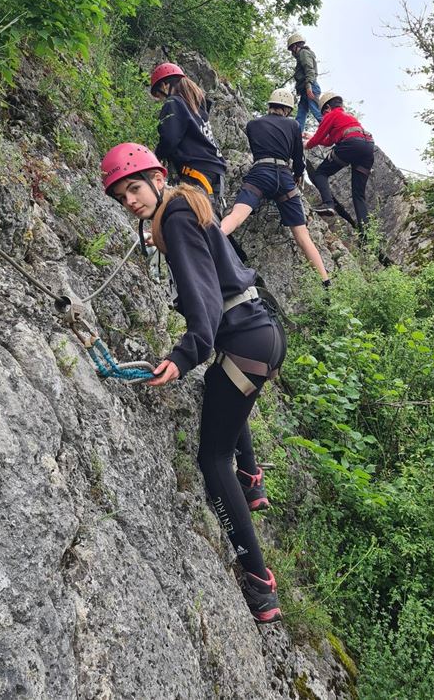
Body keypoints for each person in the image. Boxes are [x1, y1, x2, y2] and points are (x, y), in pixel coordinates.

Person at [101, 142, 286, 623]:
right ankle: (252, 480)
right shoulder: (187, 204)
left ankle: (259, 584)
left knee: (210, 458)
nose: (130, 202)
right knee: (219, 392)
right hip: (259, 333)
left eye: (135, 189)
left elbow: (203, 303)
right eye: (122, 197)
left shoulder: (176, 219)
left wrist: (182, 356)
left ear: (157, 179)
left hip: (239, 339)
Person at [220, 89, 331, 288]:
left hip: (261, 174)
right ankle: (325, 281)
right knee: (302, 235)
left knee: (236, 216)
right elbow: (298, 158)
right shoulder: (293, 125)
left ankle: (213, 238)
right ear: (288, 109)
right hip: (285, 178)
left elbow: (256, 151)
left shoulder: (253, 125)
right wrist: (297, 175)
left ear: (270, 105)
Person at [150, 62, 227, 216]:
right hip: (214, 173)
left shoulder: (174, 102)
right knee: (206, 220)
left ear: (165, 85)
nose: (160, 100)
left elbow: (169, 139)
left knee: (189, 217)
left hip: (196, 173)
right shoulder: (196, 109)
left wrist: (154, 161)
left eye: (159, 95)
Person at [305, 91, 375, 228]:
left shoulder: (331, 114)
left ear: (327, 108)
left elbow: (318, 138)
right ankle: (366, 235)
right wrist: (310, 136)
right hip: (367, 147)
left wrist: (307, 144)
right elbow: (328, 141)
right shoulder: (348, 117)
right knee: (358, 196)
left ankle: (328, 204)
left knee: (320, 173)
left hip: (351, 145)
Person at [287, 32, 322, 132]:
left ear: (295, 46)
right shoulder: (301, 55)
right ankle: (296, 134)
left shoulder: (303, 53)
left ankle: (332, 130)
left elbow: (309, 69)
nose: (291, 52)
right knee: (301, 113)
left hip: (310, 87)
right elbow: (301, 74)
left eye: (291, 49)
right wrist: (300, 89)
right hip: (305, 89)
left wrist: (308, 86)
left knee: (316, 111)